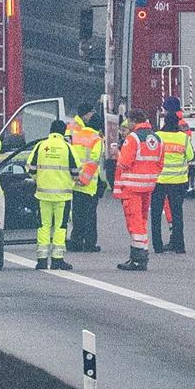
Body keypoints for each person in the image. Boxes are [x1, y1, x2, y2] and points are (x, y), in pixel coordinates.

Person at [112, 109, 163, 271]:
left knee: (135, 224)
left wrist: (117, 155)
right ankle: (139, 256)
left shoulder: (132, 138)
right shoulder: (157, 138)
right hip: (148, 186)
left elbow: (124, 163)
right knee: (142, 221)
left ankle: (138, 258)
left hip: (132, 187)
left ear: (134, 121)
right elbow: (160, 163)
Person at [26, 119, 79, 270]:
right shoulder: (68, 148)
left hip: (43, 195)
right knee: (60, 227)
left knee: (43, 226)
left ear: (50, 131)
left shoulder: (41, 146)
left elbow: (30, 168)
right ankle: (57, 259)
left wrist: (40, 180)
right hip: (63, 196)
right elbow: (76, 171)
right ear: (63, 132)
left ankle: (41, 259)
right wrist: (70, 182)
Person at [151, 112, 195, 254]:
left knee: (156, 214)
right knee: (177, 214)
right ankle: (179, 246)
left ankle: (157, 246)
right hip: (178, 181)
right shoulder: (183, 138)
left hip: (159, 181)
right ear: (177, 123)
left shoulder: (157, 136)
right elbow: (190, 156)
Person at [66, 103, 104, 253]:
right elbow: (94, 161)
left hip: (75, 181)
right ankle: (89, 244)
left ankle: (75, 241)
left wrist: (76, 177)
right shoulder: (96, 139)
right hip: (88, 184)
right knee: (90, 215)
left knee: (77, 214)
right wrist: (85, 179)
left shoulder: (75, 135)